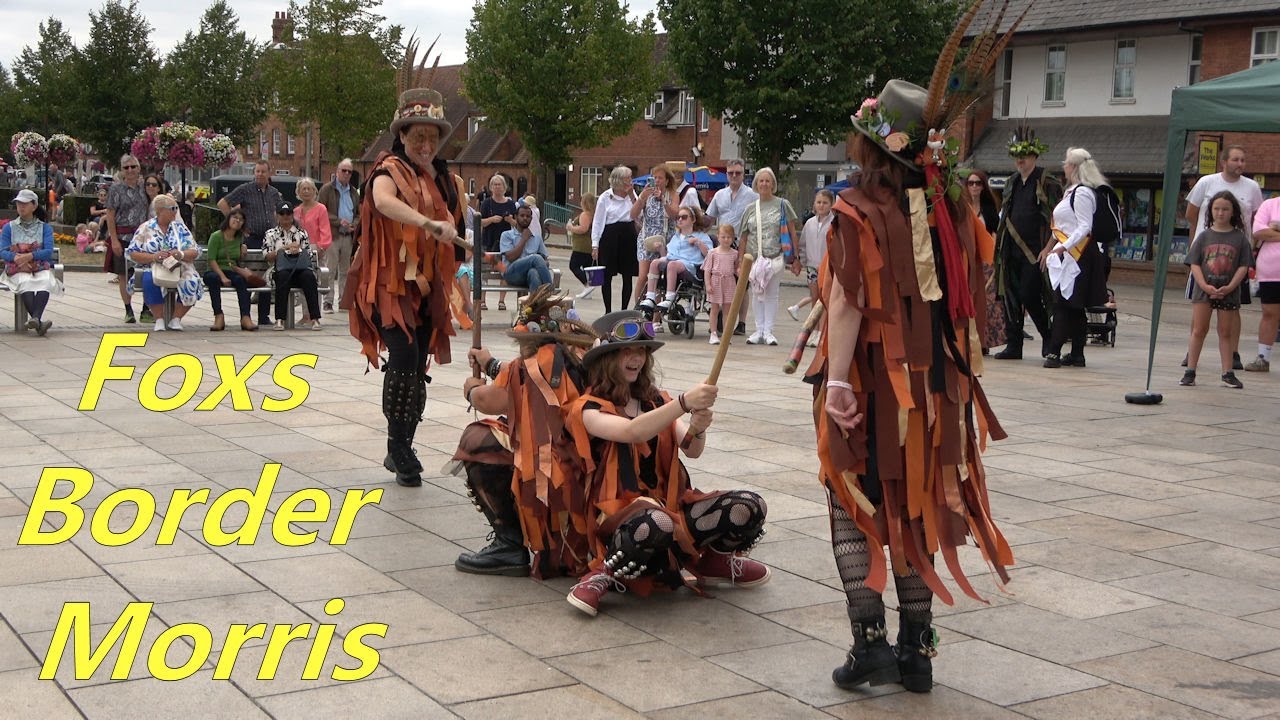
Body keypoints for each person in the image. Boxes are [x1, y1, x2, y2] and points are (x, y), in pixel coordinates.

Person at [823, 70, 1014, 694]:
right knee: (917, 502)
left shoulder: (856, 208)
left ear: (869, 145)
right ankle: (917, 652)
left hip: (873, 379)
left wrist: (836, 382)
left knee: (852, 498)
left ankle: (869, 645)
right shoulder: (951, 207)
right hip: (935, 388)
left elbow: (847, 300)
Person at [564, 310, 771, 616]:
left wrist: (698, 426)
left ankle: (712, 561)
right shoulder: (587, 408)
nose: (637, 358)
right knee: (655, 522)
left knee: (750, 505)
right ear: (606, 358)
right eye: (626, 351)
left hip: (669, 511)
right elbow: (632, 432)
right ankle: (604, 572)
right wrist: (684, 403)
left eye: (642, 351)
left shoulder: (656, 402)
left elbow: (692, 449)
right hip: (619, 520)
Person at [343, 81, 465, 488]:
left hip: (426, 288)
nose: (426, 145)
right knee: (403, 354)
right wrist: (426, 222)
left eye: (432, 138)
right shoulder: (388, 170)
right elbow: (382, 201)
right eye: (418, 137)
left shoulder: (446, 180)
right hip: (387, 284)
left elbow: (457, 232)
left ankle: (403, 447)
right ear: (402, 136)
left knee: (416, 363)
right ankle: (398, 447)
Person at [453, 289, 597, 577]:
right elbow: (519, 378)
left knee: (478, 439)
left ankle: (509, 543)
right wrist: (490, 364)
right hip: (590, 469)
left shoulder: (533, 364)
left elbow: (490, 401)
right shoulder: (582, 357)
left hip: (556, 470)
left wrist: (471, 390)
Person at [1184, 145, 1263, 370]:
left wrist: (1251, 247)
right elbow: (1191, 214)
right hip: (1207, 253)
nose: (1240, 164)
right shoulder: (1206, 182)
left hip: (1235, 254)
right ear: (1224, 162)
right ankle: (1192, 351)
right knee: (1200, 303)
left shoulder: (1252, 187)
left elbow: (1256, 218)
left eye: (1243, 160)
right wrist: (1196, 246)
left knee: (1233, 306)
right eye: (1236, 159)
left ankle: (1233, 353)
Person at [993, 127, 1062, 360]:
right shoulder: (1012, 182)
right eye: (1016, 155)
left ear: (1034, 155)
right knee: (1010, 295)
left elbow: (1059, 219)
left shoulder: (1047, 181)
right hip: (1010, 250)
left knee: (1029, 294)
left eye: (1024, 155)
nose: (1020, 160)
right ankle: (1014, 345)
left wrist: (1048, 248)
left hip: (1035, 251)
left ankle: (1048, 336)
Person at [1041, 148, 1111, 368]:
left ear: (1073, 167)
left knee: (1064, 304)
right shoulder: (1071, 191)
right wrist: (1054, 247)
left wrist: (1064, 247)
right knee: (1074, 306)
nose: (1063, 166)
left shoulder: (1082, 193)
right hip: (1070, 253)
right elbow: (1062, 227)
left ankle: (1054, 352)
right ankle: (1077, 354)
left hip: (1079, 255)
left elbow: (1084, 227)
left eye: (1066, 163)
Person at [1180, 191, 1252, 388]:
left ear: (1233, 212)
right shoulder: (1204, 236)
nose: (1220, 213)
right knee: (1199, 329)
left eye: (1225, 209)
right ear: (1210, 211)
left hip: (1229, 292)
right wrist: (1204, 285)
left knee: (1225, 332)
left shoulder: (1239, 238)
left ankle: (1227, 372)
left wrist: (1231, 286)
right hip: (1204, 291)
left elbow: (1243, 266)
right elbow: (1194, 263)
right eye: (1217, 209)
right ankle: (1190, 371)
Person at [736, 167, 800, 345]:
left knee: (772, 293)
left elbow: (792, 231)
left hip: (775, 257)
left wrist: (796, 257)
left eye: (767, 181)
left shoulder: (783, 204)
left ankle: (768, 331)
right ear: (756, 184)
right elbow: (743, 237)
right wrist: (740, 261)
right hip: (754, 259)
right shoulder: (750, 208)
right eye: (761, 181)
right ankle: (758, 330)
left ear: (773, 184)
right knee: (757, 293)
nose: (764, 184)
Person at [127, 194, 203, 332]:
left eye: (176, 208)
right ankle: (159, 319)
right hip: (151, 266)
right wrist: (154, 257)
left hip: (180, 266)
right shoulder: (146, 227)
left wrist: (180, 254)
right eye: (172, 208)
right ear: (160, 210)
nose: (175, 211)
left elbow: (195, 251)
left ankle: (176, 319)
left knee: (192, 281)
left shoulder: (180, 228)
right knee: (149, 280)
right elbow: (132, 253)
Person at [705, 158, 758, 336]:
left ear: (743, 174)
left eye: (738, 173)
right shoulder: (719, 195)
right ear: (726, 174)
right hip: (723, 244)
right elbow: (709, 218)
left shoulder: (753, 196)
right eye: (730, 173)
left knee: (742, 285)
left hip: (743, 243)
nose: (734, 176)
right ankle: (720, 320)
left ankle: (741, 322)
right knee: (722, 281)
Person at [1, 188, 60, 335]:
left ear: (34, 206)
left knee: (45, 280)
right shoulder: (9, 227)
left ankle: (35, 319)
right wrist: (15, 258)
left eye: (25, 203)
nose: (21, 207)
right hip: (17, 268)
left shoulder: (44, 228)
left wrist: (30, 256)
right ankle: (38, 321)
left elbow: (48, 251)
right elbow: (2, 251)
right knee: (25, 281)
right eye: (19, 203)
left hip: (38, 266)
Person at [263, 203, 323, 331]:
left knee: (308, 276)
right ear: (277, 216)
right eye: (282, 213)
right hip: (279, 270)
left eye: (288, 213)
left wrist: (299, 250)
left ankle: (315, 318)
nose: (285, 216)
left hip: (299, 269)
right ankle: (280, 319)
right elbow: (267, 256)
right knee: (283, 276)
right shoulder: (270, 234)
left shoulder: (301, 233)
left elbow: (308, 254)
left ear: (292, 215)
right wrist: (284, 249)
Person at [639, 206, 709, 313]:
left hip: (690, 264)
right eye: (678, 217)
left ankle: (670, 298)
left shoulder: (701, 236)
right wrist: (661, 249)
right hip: (673, 261)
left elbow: (709, 254)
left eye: (684, 217)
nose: (680, 219)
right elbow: (668, 255)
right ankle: (650, 297)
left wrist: (698, 242)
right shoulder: (676, 236)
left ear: (693, 220)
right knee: (655, 262)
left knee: (672, 264)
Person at [105, 154, 149, 323]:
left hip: (143, 238)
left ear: (139, 168)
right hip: (123, 236)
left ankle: (146, 309)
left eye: (133, 166)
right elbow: (110, 214)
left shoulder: (146, 187)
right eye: (126, 167)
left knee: (146, 272)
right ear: (122, 170)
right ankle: (128, 309)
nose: (130, 170)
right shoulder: (116, 189)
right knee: (123, 274)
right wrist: (114, 240)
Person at [965, 169, 1005, 353]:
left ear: (983, 187)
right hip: (967, 259)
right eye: (971, 183)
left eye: (978, 183)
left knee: (985, 303)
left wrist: (993, 259)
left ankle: (983, 340)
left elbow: (994, 234)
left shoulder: (989, 210)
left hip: (985, 260)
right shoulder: (963, 208)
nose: (974, 187)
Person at [590, 166, 639, 313]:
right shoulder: (605, 197)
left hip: (628, 234)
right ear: (619, 180)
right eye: (628, 178)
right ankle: (608, 311)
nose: (631, 181)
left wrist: (631, 195)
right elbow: (598, 222)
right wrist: (595, 244)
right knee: (607, 275)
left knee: (627, 275)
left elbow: (640, 212)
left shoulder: (632, 194)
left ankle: (624, 310)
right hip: (609, 236)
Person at [204, 209, 259, 332]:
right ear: (228, 219)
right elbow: (211, 259)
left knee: (241, 280)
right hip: (215, 270)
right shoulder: (216, 236)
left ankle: (245, 317)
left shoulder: (239, 238)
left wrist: (243, 247)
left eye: (241, 219)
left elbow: (237, 258)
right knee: (213, 279)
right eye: (235, 217)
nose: (237, 221)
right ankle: (218, 315)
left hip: (231, 270)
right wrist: (222, 277)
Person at [789, 189, 835, 331]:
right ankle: (814, 331)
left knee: (825, 299)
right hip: (812, 267)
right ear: (814, 204)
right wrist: (799, 262)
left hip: (828, 267)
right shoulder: (809, 223)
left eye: (825, 203)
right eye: (819, 202)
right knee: (814, 298)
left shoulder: (834, 223)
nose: (821, 205)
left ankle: (823, 331)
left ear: (831, 204)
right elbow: (803, 245)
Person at [633, 164, 680, 302]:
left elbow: (674, 216)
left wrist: (663, 201)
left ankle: (656, 311)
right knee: (643, 276)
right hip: (646, 239)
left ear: (667, 181)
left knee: (659, 278)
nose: (657, 181)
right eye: (655, 178)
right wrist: (641, 198)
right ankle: (638, 307)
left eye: (660, 178)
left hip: (665, 240)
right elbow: (633, 214)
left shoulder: (673, 195)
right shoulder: (646, 194)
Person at [318, 158, 360, 313]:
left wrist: (354, 224)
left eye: (350, 171)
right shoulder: (327, 189)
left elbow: (358, 213)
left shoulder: (353, 192)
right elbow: (321, 210)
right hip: (332, 235)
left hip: (348, 236)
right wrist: (338, 221)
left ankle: (343, 300)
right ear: (337, 172)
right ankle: (327, 302)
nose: (347, 174)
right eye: (344, 170)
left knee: (346, 270)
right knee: (330, 269)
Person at [1245, 194, 1280, 372]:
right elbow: (1258, 231)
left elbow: (1266, 232)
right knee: (1269, 314)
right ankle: (1263, 358)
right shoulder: (1270, 205)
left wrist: (1275, 228)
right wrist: (1269, 230)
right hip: (1271, 272)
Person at [218, 159, 284, 249]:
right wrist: (237, 223)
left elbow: (282, 212)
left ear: (269, 173)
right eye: (257, 171)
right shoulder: (245, 189)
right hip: (251, 239)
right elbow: (222, 204)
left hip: (271, 239)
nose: (260, 174)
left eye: (263, 172)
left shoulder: (274, 192)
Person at [479, 174, 516, 311]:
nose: (497, 187)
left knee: (503, 270)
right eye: (494, 184)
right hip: (488, 240)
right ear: (491, 187)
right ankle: (482, 300)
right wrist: (491, 220)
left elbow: (518, 224)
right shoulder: (486, 203)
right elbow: (479, 221)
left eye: (499, 184)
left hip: (505, 243)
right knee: (484, 271)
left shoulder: (511, 204)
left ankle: (501, 301)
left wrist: (510, 220)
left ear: (504, 187)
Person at [498, 204, 554, 291]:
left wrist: (543, 264)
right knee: (535, 258)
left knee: (533, 273)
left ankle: (534, 300)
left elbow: (545, 260)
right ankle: (550, 291)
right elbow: (510, 258)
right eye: (522, 215)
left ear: (531, 219)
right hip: (511, 274)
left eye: (528, 216)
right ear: (516, 217)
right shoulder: (506, 235)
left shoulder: (536, 237)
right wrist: (524, 239)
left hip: (527, 275)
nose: (525, 218)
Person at [703, 224, 739, 346]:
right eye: (723, 237)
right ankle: (713, 333)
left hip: (729, 282)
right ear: (718, 237)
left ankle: (726, 334)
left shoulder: (735, 254)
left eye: (729, 237)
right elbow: (707, 270)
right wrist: (708, 284)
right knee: (714, 308)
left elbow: (736, 269)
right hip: (716, 281)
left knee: (727, 310)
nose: (726, 239)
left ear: (733, 238)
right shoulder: (712, 253)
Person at [293, 177, 332, 282]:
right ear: (298, 192)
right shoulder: (295, 211)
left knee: (317, 281)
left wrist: (321, 248)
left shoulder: (321, 209)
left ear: (314, 191)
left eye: (309, 189)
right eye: (303, 189)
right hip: (299, 250)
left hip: (317, 249)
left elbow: (325, 230)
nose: (306, 191)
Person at [566, 193, 597, 299]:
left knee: (573, 266)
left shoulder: (585, 214)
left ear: (584, 202)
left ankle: (588, 285)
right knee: (587, 267)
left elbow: (583, 228)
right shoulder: (594, 214)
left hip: (581, 246)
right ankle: (588, 291)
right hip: (589, 245)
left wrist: (571, 227)